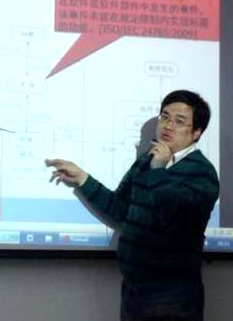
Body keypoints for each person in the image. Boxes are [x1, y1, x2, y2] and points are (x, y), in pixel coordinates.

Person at [45, 90, 219, 321]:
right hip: (134, 290)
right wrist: (83, 179)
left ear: (196, 132)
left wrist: (158, 170)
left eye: (179, 121)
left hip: (173, 294)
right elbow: (120, 209)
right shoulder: (146, 161)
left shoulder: (202, 173)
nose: (168, 125)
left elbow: (173, 220)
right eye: (165, 117)